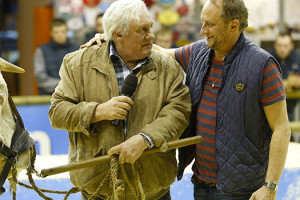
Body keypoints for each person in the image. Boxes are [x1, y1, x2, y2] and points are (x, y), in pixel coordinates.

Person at [82, 0, 291, 199]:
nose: (202, 30)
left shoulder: (263, 65)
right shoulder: (199, 51)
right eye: (203, 22)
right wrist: (111, 37)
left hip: (243, 188)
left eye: (210, 24)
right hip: (201, 182)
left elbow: (282, 129)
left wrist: (270, 186)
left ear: (233, 26)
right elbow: (160, 51)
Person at [48, 0, 191, 199]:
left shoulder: (168, 67)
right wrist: (97, 112)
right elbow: (57, 112)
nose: (151, 35)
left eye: (150, 27)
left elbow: (180, 112)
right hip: (97, 189)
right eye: (142, 30)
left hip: (153, 190)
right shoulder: (77, 64)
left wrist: (145, 139)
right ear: (118, 34)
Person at [34, 18, 79, 95]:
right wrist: (61, 84)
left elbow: (81, 74)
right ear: (51, 33)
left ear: (67, 32)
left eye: (62, 31)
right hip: (47, 97)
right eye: (56, 32)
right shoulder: (41, 50)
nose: (60, 35)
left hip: (73, 97)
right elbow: (40, 77)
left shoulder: (77, 49)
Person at [269, 33, 300, 124]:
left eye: (285, 46)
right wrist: (288, 83)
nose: (282, 49)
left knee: (291, 127)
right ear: (275, 46)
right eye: (279, 45)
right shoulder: (267, 58)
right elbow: (266, 83)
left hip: (291, 104)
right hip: (272, 106)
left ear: (291, 46)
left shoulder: (297, 57)